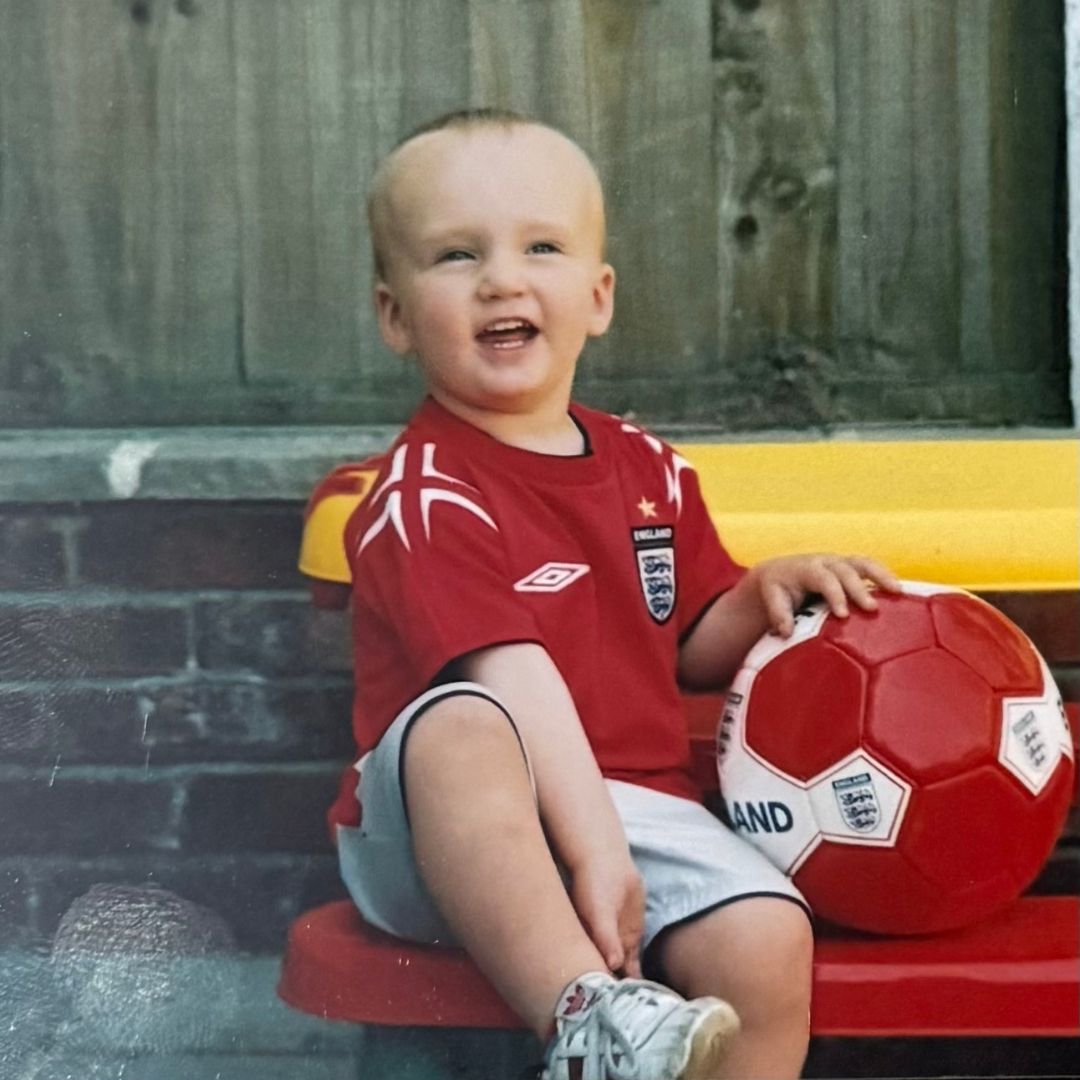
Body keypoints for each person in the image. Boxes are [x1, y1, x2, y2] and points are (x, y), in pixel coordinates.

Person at [304, 108, 900, 1080]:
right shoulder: (421, 496)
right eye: (457, 255)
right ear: (395, 315)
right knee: (463, 724)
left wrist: (762, 595)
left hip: (635, 807)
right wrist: (592, 854)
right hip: (443, 837)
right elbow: (513, 679)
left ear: (598, 294)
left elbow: (690, 635)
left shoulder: (647, 471)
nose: (502, 276)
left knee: (764, 943)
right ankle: (589, 1022)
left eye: (541, 246)